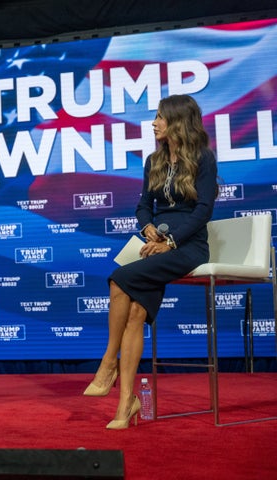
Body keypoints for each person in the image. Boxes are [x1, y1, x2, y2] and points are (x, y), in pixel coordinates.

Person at [83, 95, 218, 429]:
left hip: (189, 246)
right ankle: (125, 405)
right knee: (135, 312)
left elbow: (203, 210)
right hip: (157, 243)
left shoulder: (203, 158)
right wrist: (149, 229)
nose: (154, 123)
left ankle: (108, 362)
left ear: (176, 121)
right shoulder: (154, 161)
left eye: (159, 117)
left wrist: (171, 241)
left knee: (118, 279)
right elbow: (144, 205)